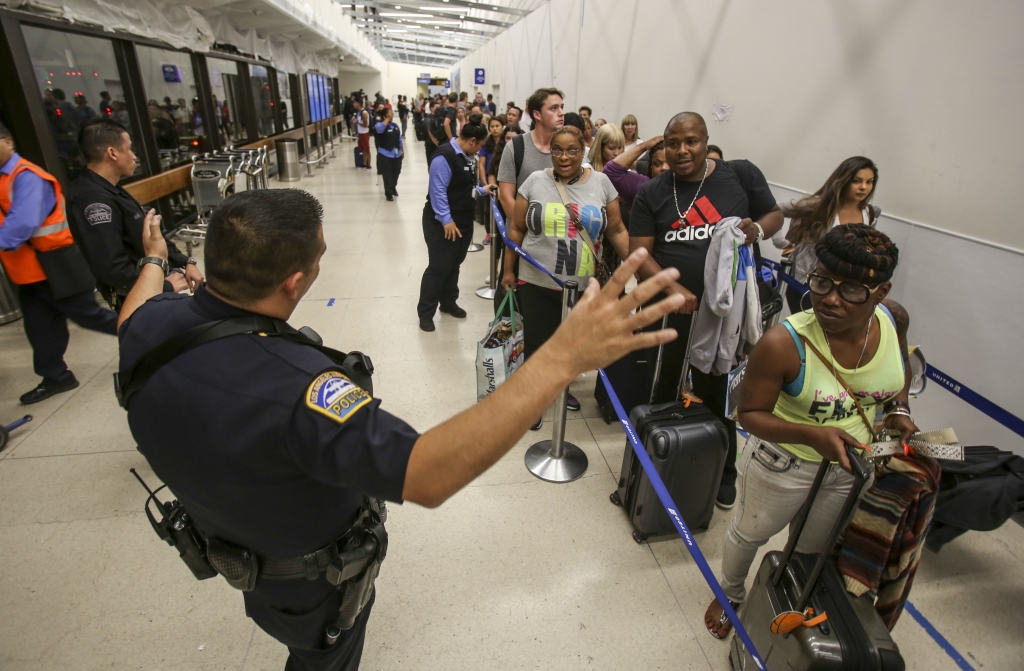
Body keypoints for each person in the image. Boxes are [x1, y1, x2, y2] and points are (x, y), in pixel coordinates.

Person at [117, 183, 685, 671]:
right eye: (318, 259)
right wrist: (561, 357)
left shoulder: (153, 324)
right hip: (306, 584)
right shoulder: (302, 391)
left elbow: (130, 316)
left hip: (227, 529)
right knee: (322, 656)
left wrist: (151, 261)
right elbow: (428, 474)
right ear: (294, 282)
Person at [704, 225, 915, 640]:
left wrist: (900, 408)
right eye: (821, 282)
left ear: (881, 292)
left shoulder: (894, 320)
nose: (829, 299)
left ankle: (779, 595)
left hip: (848, 466)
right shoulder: (783, 343)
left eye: (851, 290)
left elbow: (900, 372)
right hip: (784, 462)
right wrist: (813, 436)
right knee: (750, 533)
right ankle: (729, 593)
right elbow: (749, 415)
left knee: (809, 547)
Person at [629, 111, 783, 509]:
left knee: (717, 393)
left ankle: (722, 473)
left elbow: (774, 215)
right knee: (663, 389)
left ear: (706, 140)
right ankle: (655, 465)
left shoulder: (740, 175)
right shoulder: (653, 191)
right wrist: (673, 287)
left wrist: (758, 231)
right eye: (673, 143)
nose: (682, 151)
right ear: (663, 144)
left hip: (724, 314)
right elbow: (639, 252)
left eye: (692, 141)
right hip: (671, 310)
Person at [502, 126, 630, 428]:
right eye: (557, 149)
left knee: (571, 346)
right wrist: (509, 270)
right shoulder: (535, 181)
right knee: (537, 344)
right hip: (536, 279)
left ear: (584, 150)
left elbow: (616, 230)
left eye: (572, 150)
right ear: (550, 151)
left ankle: (560, 389)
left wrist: (637, 264)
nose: (564, 156)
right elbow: (517, 228)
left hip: (583, 285)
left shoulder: (601, 183)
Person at [0, 122, 118, 404]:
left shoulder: (27, 176)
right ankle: (56, 376)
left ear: (7, 142)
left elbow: (24, 222)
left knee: (91, 316)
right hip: (30, 272)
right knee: (40, 327)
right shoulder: (4, 178)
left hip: (59, 265)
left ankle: (156, 335)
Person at [67, 119, 201, 311]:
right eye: (129, 149)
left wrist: (185, 261)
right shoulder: (93, 200)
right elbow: (112, 268)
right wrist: (164, 287)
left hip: (153, 287)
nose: (134, 156)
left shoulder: (112, 189)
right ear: (112, 153)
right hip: (138, 298)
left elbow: (150, 237)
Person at [776, 157, 881, 313]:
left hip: (841, 285)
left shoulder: (870, 213)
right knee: (808, 328)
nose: (863, 188)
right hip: (806, 280)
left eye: (869, 182)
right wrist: (778, 240)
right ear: (843, 180)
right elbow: (774, 210)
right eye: (856, 181)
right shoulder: (819, 205)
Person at [417, 115, 489, 332]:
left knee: (454, 264)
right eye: (480, 146)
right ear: (472, 141)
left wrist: (484, 190)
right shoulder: (444, 156)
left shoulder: (466, 156)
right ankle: (425, 314)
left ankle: (448, 303)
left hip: (462, 220)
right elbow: (437, 191)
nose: (479, 151)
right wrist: (446, 220)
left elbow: (462, 188)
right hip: (442, 222)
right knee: (438, 267)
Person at [604, 135, 668, 208]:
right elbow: (611, 171)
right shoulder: (643, 187)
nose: (664, 168)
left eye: (669, 162)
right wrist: (644, 146)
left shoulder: (683, 189)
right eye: (657, 164)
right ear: (651, 167)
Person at [374, 108, 404, 201]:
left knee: (397, 171)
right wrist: (386, 119)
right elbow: (379, 130)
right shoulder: (379, 125)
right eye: (389, 114)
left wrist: (402, 150)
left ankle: (393, 186)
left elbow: (399, 139)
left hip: (396, 154)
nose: (391, 115)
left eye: (392, 114)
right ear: (384, 116)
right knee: (387, 174)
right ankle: (389, 193)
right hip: (385, 153)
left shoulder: (395, 126)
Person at [354, 98, 372, 172]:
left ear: (359, 103)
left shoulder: (364, 113)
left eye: (355, 103)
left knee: (367, 149)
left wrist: (357, 122)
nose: (354, 104)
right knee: (363, 149)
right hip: (360, 133)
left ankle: (369, 164)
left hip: (365, 133)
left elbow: (366, 124)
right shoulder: (358, 112)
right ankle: (364, 163)